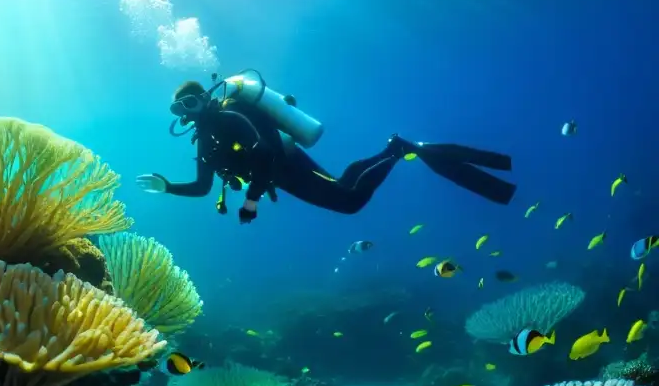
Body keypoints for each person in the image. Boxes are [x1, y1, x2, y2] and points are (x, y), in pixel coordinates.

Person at [136, 71, 516, 224]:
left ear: (205, 97)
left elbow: (265, 154)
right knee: (341, 189)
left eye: (191, 102)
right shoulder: (205, 137)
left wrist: (251, 200)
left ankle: (396, 151)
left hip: (284, 165)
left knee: (348, 202)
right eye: (179, 108)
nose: (187, 111)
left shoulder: (230, 115)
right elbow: (204, 187)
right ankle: (392, 149)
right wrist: (168, 187)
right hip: (279, 175)